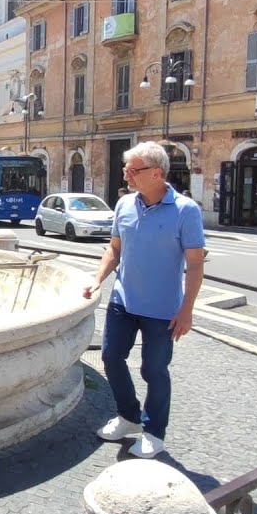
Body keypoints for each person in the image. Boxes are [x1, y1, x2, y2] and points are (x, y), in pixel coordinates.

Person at [83, 141, 205, 458]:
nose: (126, 174)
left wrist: (187, 310)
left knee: (154, 371)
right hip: (123, 302)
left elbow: (195, 264)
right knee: (110, 358)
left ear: (157, 173)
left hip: (163, 310)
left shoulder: (186, 211)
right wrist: (97, 280)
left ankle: (154, 433)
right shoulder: (124, 205)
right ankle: (128, 417)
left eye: (132, 170)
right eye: (126, 168)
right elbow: (114, 249)